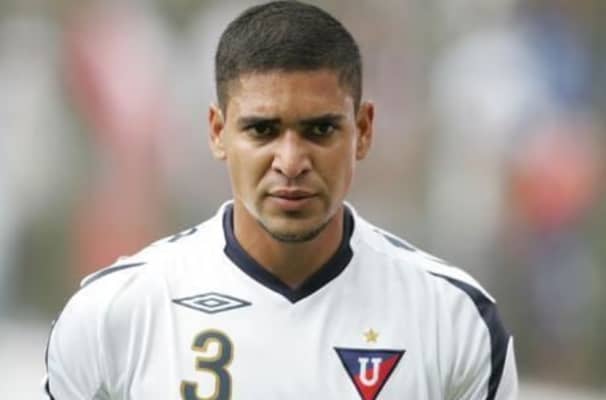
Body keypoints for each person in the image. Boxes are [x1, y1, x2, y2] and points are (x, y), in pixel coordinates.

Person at [43, 1, 518, 399]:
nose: (290, 162)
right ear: (218, 132)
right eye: (262, 130)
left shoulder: (453, 318)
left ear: (364, 130)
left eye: (320, 129)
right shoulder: (114, 314)